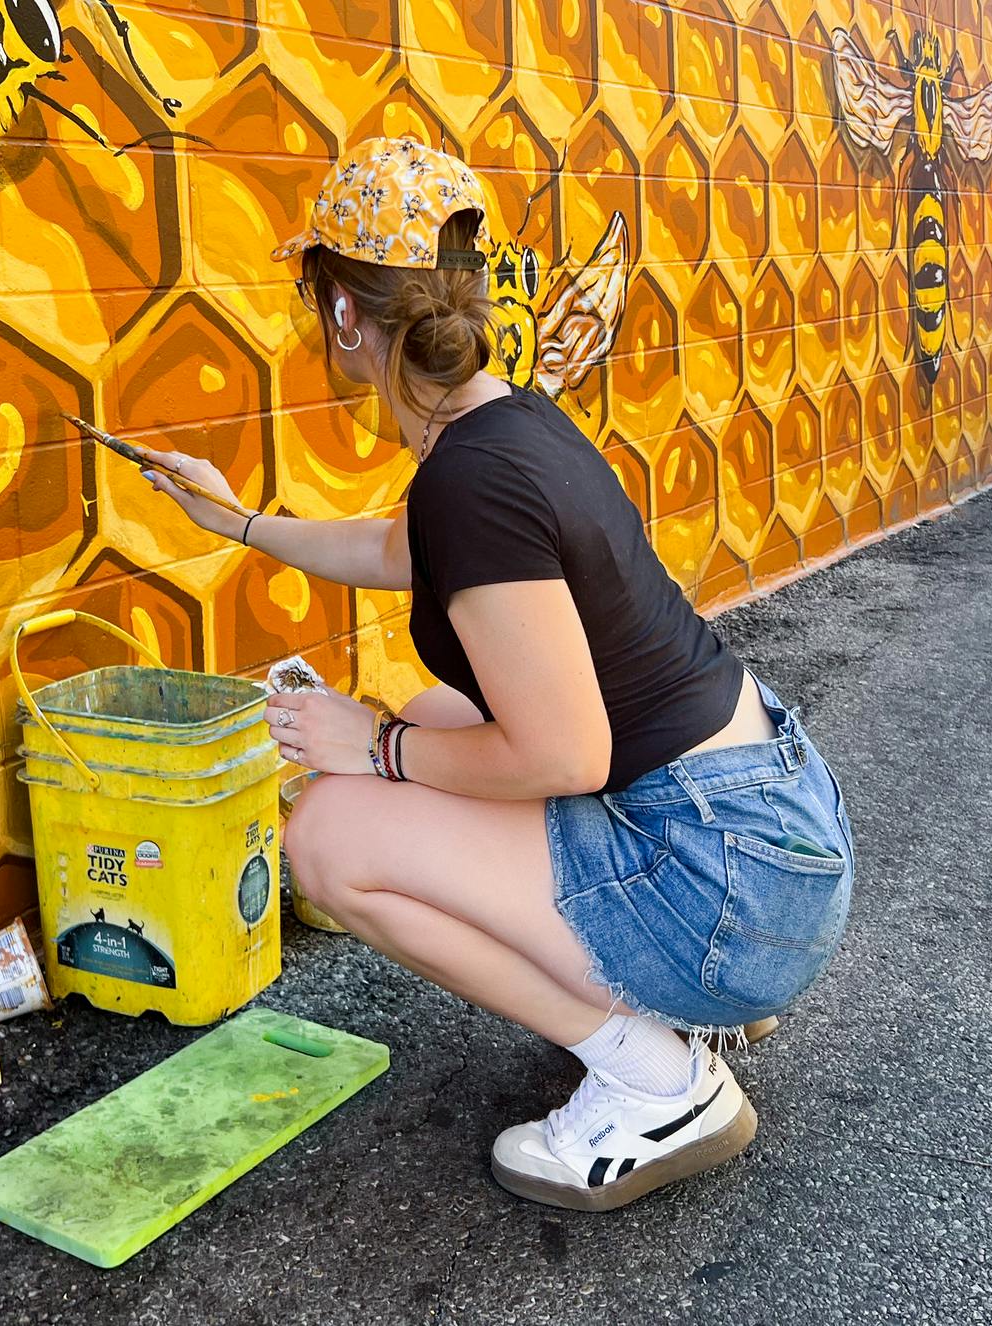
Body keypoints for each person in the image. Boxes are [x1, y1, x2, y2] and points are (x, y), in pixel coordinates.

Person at [137, 136, 854, 1212]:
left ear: (342, 315)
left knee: (331, 839)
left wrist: (366, 747)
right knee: (437, 712)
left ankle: (657, 1082)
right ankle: (692, 1009)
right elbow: (395, 551)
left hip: (728, 897)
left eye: (311, 292)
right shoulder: (506, 426)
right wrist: (234, 519)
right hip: (768, 836)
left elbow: (564, 753)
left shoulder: (468, 484)